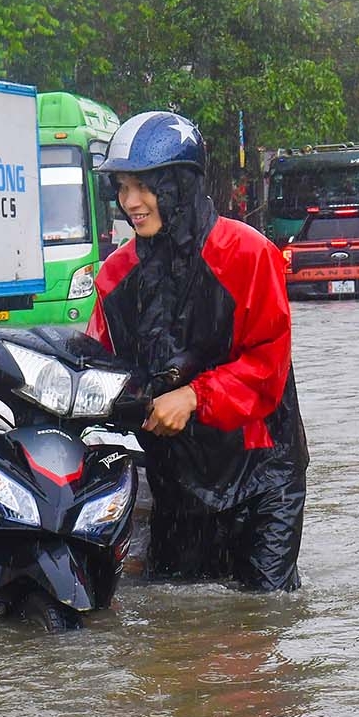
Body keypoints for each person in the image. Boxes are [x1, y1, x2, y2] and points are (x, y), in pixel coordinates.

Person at [85, 111, 309, 592]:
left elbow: (267, 367)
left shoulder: (248, 254)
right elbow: (98, 365)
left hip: (262, 474)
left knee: (261, 622)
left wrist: (194, 397)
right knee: (177, 630)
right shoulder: (114, 276)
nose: (131, 203)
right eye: (122, 188)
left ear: (180, 185)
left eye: (144, 187)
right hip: (176, 479)